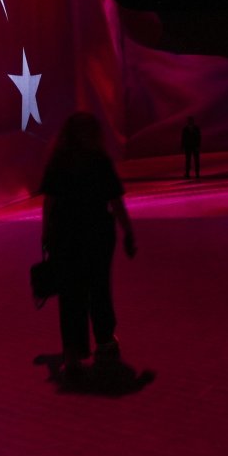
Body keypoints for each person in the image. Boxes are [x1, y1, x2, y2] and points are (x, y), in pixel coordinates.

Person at [39, 112, 136, 377]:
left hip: (65, 234)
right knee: (99, 288)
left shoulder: (58, 161)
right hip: (97, 233)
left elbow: (49, 202)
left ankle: (72, 354)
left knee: (71, 294)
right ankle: (105, 344)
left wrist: (45, 234)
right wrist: (128, 232)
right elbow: (116, 201)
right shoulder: (99, 161)